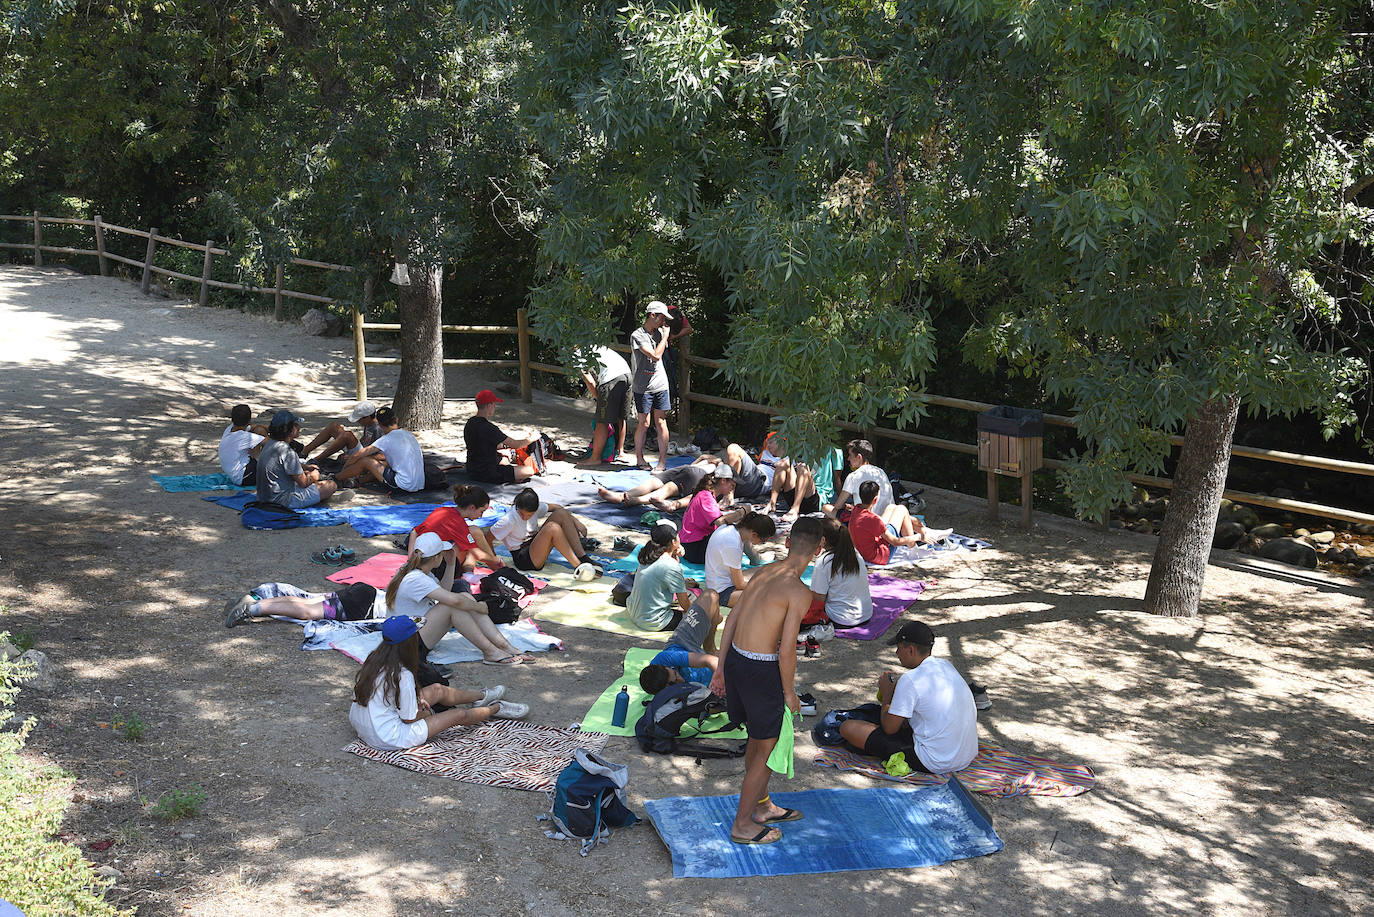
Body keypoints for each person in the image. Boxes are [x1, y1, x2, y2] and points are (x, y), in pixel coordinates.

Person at [709, 516, 824, 845]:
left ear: (787, 541)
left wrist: (721, 666)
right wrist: (789, 693)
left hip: (737, 660)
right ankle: (742, 824)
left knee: (757, 740)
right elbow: (787, 650)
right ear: (818, 550)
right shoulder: (799, 592)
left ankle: (761, 806)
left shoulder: (762, 572)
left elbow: (733, 618)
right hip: (761, 670)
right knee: (766, 750)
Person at [350, 615, 527, 752]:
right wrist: (427, 713)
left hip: (365, 725)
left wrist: (417, 702)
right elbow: (408, 718)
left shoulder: (374, 659)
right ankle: (496, 707)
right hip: (389, 737)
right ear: (410, 642)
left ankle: (482, 696)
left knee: (437, 689)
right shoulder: (403, 674)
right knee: (458, 715)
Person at [837, 621, 979, 774]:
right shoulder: (946, 665)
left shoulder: (910, 679)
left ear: (910, 649)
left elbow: (889, 729)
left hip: (935, 761)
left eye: (899, 647)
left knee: (848, 728)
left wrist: (887, 694)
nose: (897, 652)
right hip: (966, 755)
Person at [386, 531, 537, 666]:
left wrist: (451, 564)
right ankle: (490, 651)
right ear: (437, 557)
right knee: (454, 605)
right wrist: (480, 607)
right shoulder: (416, 578)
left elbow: (444, 591)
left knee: (464, 597)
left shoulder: (419, 571)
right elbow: (453, 601)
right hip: (407, 644)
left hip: (412, 635)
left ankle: (505, 646)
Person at [487, 488, 603, 578]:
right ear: (517, 506)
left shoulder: (537, 507)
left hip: (533, 544)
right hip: (523, 558)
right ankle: (579, 567)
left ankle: (583, 557)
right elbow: (487, 538)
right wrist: (494, 561)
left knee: (561, 514)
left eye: (529, 515)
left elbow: (558, 508)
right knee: (553, 528)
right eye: (521, 513)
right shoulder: (509, 519)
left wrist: (577, 522)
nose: (524, 517)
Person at [255, 410, 347, 508]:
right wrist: (314, 476)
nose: (299, 427)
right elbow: (304, 483)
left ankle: (318, 496)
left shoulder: (270, 444)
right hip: (284, 501)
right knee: (331, 485)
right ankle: (321, 498)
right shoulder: (287, 451)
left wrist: (305, 467)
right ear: (290, 430)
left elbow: (280, 465)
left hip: (264, 497)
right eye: (296, 425)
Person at [406, 484, 500, 575]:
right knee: (469, 543)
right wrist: (497, 560)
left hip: (422, 561)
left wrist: (410, 559)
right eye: (481, 511)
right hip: (435, 568)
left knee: (472, 534)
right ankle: (497, 568)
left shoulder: (442, 510)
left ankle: (471, 572)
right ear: (472, 507)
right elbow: (478, 555)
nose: (481, 516)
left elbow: (414, 532)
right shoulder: (458, 523)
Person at [640, 589, 724, 691]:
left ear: (666, 667)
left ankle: (710, 648)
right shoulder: (669, 696)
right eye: (676, 682)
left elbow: (710, 660)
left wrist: (720, 678)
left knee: (710, 596)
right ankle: (714, 618)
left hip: (683, 643)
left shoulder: (664, 659)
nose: (681, 679)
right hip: (707, 682)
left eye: (676, 674)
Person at [628, 522, 700, 631]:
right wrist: (698, 614)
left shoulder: (648, 554)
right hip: (654, 622)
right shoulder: (671, 565)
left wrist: (674, 552)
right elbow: (684, 603)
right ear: (673, 541)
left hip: (635, 614)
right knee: (699, 612)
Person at [334, 406, 426, 492]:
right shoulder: (409, 435)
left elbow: (357, 455)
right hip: (419, 484)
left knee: (365, 461)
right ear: (396, 420)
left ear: (380, 425)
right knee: (380, 464)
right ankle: (357, 481)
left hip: (402, 486)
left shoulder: (386, 439)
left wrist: (344, 470)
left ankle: (336, 478)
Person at [463, 389, 542, 484]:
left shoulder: (470, 423)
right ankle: (512, 478)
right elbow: (516, 445)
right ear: (489, 406)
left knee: (505, 458)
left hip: (471, 469)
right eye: (494, 405)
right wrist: (532, 438)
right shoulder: (490, 428)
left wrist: (504, 448)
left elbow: (482, 443)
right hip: (488, 473)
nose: (495, 407)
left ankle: (511, 475)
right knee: (529, 470)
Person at [630, 300, 673, 472]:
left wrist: (664, 336)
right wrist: (665, 337)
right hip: (643, 386)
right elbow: (655, 356)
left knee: (661, 421)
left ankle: (662, 462)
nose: (664, 322)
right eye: (662, 318)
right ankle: (640, 459)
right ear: (652, 315)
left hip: (660, 384)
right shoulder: (637, 335)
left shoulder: (659, 333)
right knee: (644, 423)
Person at [223, 581, 381, 628]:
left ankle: (255, 603)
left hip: (367, 592)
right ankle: (251, 609)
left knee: (306, 602)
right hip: (364, 606)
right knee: (307, 611)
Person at [807, 518, 871, 627]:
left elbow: (818, 599)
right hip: (865, 614)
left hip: (841, 618)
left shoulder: (824, 562)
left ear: (823, 540)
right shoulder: (854, 553)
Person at [849, 480, 932, 565]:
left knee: (891, 507)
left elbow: (872, 521)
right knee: (902, 509)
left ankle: (923, 532)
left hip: (865, 554)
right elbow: (895, 542)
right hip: (880, 556)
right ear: (875, 499)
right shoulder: (873, 519)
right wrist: (918, 537)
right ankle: (914, 549)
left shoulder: (856, 510)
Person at [679, 466, 749, 565]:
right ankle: (756, 559)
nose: (732, 489)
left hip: (692, 544)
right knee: (738, 530)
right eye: (732, 485)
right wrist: (742, 512)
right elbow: (720, 522)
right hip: (694, 548)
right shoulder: (706, 497)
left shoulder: (708, 495)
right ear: (723, 480)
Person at [704, 512, 776, 607]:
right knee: (768, 595)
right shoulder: (733, 545)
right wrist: (762, 586)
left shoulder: (729, 528)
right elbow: (740, 584)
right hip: (721, 593)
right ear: (754, 534)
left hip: (720, 581)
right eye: (762, 541)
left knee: (766, 570)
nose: (761, 543)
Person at [578, 346, 634, 466]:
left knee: (602, 421)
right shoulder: (594, 344)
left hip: (611, 379)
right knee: (620, 417)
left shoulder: (577, 354)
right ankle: (620, 451)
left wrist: (599, 399)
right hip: (627, 374)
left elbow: (590, 381)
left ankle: (595, 458)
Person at [595, 461, 713, 511]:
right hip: (689, 469)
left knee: (666, 488)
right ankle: (621, 496)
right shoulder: (715, 465)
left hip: (695, 472)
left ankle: (633, 499)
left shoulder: (714, 466)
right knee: (655, 483)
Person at [757, 434, 820, 522]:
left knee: (802, 467)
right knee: (783, 463)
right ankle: (772, 503)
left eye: (770, 442)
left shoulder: (827, 452)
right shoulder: (769, 454)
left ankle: (795, 509)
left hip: (809, 498)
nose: (768, 445)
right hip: (792, 496)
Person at [826, 439, 894, 519]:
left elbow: (838, 505)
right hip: (886, 518)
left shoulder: (853, 476)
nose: (848, 459)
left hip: (863, 519)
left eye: (850, 455)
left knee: (826, 507)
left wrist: (845, 506)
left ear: (859, 457)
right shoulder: (880, 472)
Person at [300, 401, 382, 462]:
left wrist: (354, 456)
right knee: (334, 426)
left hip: (364, 456)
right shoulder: (368, 424)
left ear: (367, 417)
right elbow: (364, 441)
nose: (358, 422)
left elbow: (380, 454)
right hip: (361, 451)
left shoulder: (378, 429)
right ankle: (303, 452)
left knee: (348, 435)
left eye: (359, 419)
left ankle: (316, 460)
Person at [218, 403, 266, 486]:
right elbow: (271, 442)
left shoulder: (230, 429)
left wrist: (269, 428)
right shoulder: (244, 437)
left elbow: (256, 427)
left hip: (236, 475)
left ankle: (259, 461)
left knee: (259, 430)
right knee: (272, 448)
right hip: (244, 477)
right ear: (249, 421)